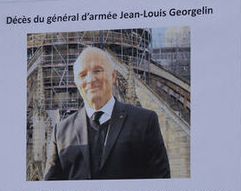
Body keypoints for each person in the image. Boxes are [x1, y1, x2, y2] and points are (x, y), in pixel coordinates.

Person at [43, 46, 171, 180]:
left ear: (113, 76)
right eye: (83, 75)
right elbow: (50, 187)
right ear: (76, 83)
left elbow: (160, 180)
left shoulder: (144, 121)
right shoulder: (61, 131)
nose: (90, 80)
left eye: (97, 71)